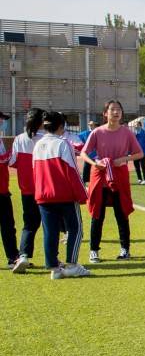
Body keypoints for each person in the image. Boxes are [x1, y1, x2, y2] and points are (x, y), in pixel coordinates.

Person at [81, 100, 144, 262]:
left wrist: (123, 158)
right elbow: (83, 153)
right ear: (105, 113)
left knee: (121, 213)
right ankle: (94, 250)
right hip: (101, 176)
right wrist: (95, 163)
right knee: (97, 214)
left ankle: (125, 249)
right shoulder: (97, 132)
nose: (116, 113)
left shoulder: (127, 133)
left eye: (118, 110)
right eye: (112, 109)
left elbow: (139, 153)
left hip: (119, 177)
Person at [32, 111, 89, 279]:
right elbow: (72, 171)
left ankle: (54, 268)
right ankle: (71, 264)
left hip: (43, 195)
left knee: (50, 231)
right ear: (61, 126)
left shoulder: (38, 145)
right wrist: (82, 194)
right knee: (75, 228)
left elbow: (35, 172)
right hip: (64, 195)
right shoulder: (63, 144)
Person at [10, 109, 45, 273]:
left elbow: (13, 162)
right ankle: (52, 257)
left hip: (26, 189)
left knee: (29, 224)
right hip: (44, 188)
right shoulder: (45, 139)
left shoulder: (19, 139)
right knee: (48, 223)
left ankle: (23, 255)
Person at [0, 111, 17, 268]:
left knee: (8, 225)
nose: (2, 122)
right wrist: (13, 153)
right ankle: (12, 257)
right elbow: (3, 159)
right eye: (1, 119)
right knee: (7, 225)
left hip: (3, 189)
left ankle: (13, 257)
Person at [77, 120, 98, 185]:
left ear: (96, 125)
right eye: (89, 125)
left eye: (92, 125)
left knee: (98, 170)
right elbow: (77, 137)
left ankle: (98, 181)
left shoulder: (100, 132)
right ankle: (84, 182)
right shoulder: (86, 133)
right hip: (89, 155)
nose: (90, 126)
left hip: (98, 155)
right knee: (86, 168)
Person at [131, 118, 145, 184]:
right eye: (135, 125)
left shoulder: (144, 133)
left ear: (140, 125)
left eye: (137, 125)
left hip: (142, 153)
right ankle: (139, 179)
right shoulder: (133, 134)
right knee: (136, 167)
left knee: (143, 166)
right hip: (135, 153)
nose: (136, 126)